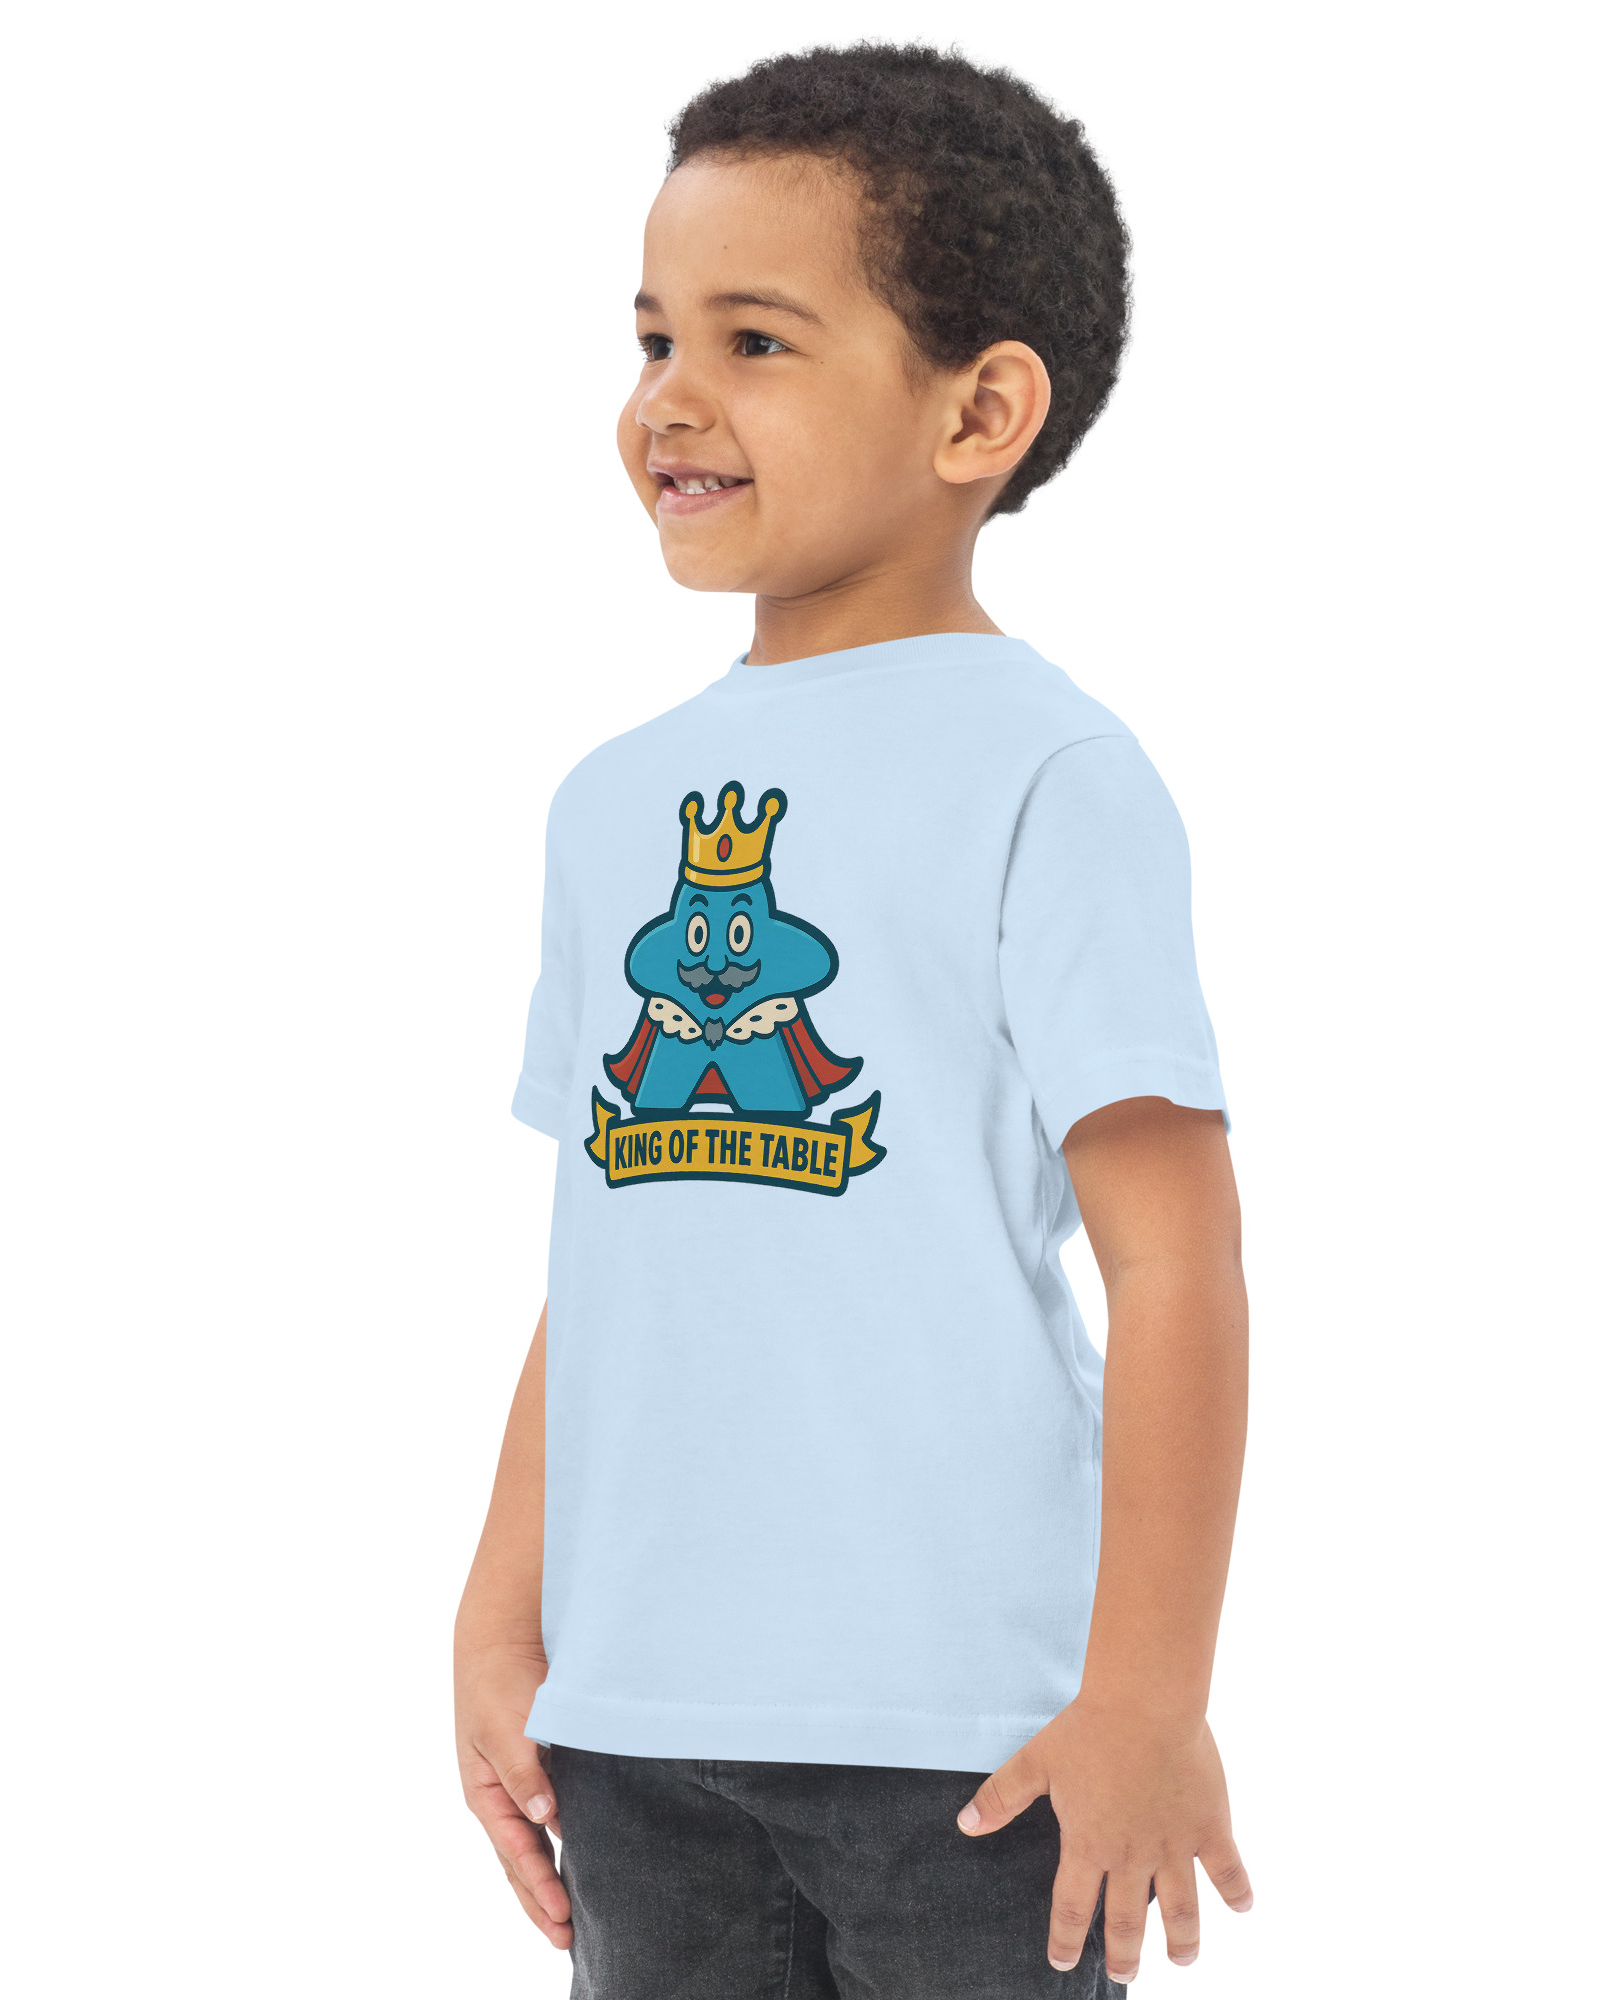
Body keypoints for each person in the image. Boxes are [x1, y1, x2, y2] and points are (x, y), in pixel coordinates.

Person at [456, 44, 1254, 1997]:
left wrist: (1146, 1696)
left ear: (978, 411)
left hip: (966, 1743)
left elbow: (1175, 1261)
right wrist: (500, 1609)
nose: (669, 396)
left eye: (754, 340)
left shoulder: (1050, 774)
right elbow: (615, 1241)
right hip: (635, 1723)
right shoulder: (607, 801)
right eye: (654, 335)